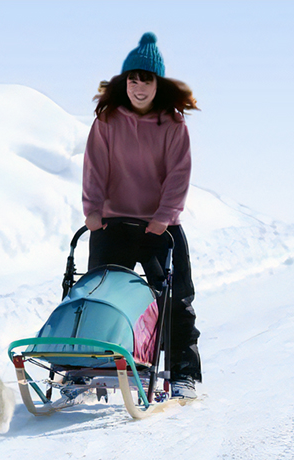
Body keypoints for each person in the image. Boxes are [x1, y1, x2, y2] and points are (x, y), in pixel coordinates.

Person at [82, 32, 201, 399]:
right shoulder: (107, 120)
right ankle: (85, 367)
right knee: (97, 295)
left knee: (175, 301)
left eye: (145, 79)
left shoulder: (174, 126)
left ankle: (183, 374)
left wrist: (163, 217)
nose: (138, 86)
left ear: (157, 83)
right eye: (132, 79)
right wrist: (93, 211)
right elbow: (95, 169)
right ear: (125, 82)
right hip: (113, 223)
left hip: (159, 228)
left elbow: (178, 176)